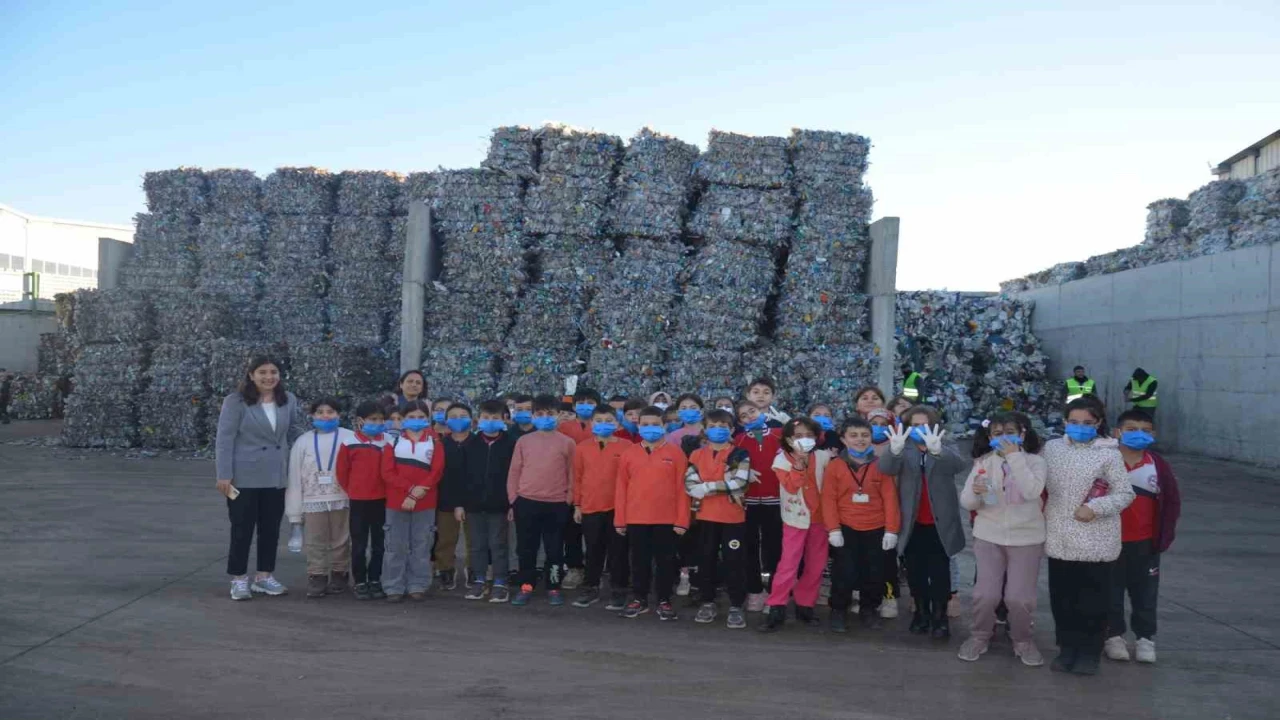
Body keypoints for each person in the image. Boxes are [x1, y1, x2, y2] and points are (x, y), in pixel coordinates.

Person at [1042, 398, 1135, 675]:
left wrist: (1095, 508)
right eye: (1073, 422)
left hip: (1095, 538)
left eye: (1087, 423)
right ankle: (1067, 648)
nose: (1079, 428)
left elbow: (1125, 493)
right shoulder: (1052, 448)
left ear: (1098, 424)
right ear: (1064, 422)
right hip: (1060, 537)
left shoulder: (1109, 453)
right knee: (1062, 599)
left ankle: (1089, 652)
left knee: (1093, 601)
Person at [957, 413, 1048, 666]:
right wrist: (975, 493)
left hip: (1027, 538)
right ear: (989, 437)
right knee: (985, 595)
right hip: (989, 536)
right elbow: (967, 502)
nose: (1004, 438)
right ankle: (979, 636)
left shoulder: (1035, 462)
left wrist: (1014, 457)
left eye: (1010, 432)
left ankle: (1022, 640)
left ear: (1022, 434)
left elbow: (1031, 491)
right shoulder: (984, 462)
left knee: (1019, 598)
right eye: (998, 434)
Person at [214, 356, 307, 601]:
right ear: (251, 375)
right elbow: (224, 440)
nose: (269, 377)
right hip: (243, 477)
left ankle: (264, 577)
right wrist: (224, 474)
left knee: (271, 530)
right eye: (263, 372)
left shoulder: (288, 400)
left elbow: (293, 431)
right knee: (242, 529)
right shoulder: (235, 402)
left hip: (277, 475)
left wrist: (316, 441)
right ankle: (238, 579)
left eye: (273, 371)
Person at [879, 405, 965, 640]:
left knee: (939, 572)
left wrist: (938, 451)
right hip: (911, 521)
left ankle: (940, 617)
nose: (919, 429)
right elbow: (886, 468)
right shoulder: (903, 446)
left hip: (940, 521)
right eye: (914, 425)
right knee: (915, 571)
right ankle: (921, 613)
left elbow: (958, 465)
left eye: (924, 424)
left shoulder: (945, 443)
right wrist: (893, 451)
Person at [1105, 409, 1181, 664]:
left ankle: (1145, 638)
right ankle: (1114, 636)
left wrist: (1164, 537)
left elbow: (1171, 502)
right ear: (1117, 433)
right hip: (1109, 541)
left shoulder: (1157, 464)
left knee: (1145, 594)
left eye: (1145, 430)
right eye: (1131, 429)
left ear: (1153, 434)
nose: (1138, 434)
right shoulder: (1105, 461)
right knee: (1111, 592)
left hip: (1145, 542)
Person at [823, 418, 901, 632]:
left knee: (874, 572)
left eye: (864, 435)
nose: (860, 440)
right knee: (844, 572)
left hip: (875, 527)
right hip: (846, 527)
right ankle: (838, 610)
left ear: (871, 438)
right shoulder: (835, 466)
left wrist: (891, 530)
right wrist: (833, 529)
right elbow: (828, 500)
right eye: (854, 435)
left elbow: (890, 499)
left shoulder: (881, 465)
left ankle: (869, 608)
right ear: (843, 439)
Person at [615, 406, 690, 620]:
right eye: (645, 425)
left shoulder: (675, 453)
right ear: (638, 426)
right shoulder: (629, 453)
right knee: (638, 561)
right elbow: (621, 488)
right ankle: (639, 598)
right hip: (636, 518)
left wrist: (682, 520)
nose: (650, 428)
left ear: (664, 426)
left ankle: (664, 600)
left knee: (665, 562)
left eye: (655, 424)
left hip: (667, 519)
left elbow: (682, 489)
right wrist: (620, 519)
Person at [761, 417, 833, 632]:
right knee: (788, 564)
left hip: (820, 518)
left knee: (816, 564)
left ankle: (805, 605)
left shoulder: (823, 457)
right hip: (795, 518)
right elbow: (792, 487)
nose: (804, 439)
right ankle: (776, 606)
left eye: (809, 435)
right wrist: (799, 465)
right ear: (789, 439)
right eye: (798, 436)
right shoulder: (781, 460)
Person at [685, 409, 752, 629]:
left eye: (723, 426)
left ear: (732, 430)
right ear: (705, 429)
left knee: (734, 561)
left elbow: (739, 483)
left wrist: (709, 486)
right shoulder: (696, 455)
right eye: (713, 426)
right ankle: (707, 601)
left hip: (733, 517)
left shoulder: (740, 454)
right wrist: (718, 486)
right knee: (706, 560)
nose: (718, 430)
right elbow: (691, 485)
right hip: (705, 517)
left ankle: (735, 605)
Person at [508, 394, 576, 607]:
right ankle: (526, 586)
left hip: (556, 504)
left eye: (550, 414)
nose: (545, 417)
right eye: (540, 414)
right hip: (526, 502)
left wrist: (569, 499)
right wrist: (514, 500)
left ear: (558, 415)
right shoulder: (523, 441)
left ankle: (553, 586)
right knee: (526, 547)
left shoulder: (567, 443)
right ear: (533, 415)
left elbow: (572, 474)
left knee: (554, 549)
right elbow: (514, 472)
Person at [286, 397, 356, 598]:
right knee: (315, 540)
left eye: (331, 412)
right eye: (320, 412)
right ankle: (317, 575)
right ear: (312, 416)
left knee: (341, 539)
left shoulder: (349, 437)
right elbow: (294, 477)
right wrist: (294, 513)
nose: (325, 416)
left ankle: (339, 572)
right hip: (312, 500)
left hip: (342, 498)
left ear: (339, 415)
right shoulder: (303, 441)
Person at [380, 399, 446, 602]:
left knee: (421, 545)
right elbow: (387, 473)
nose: (416, 420)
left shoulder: (435, 443)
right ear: (402, 419)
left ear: (427, 419)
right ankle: (393, 586)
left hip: (425, 503)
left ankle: (418, 584)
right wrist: (409, 491)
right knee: (395, 546)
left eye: (421, 417)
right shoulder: (393, 442)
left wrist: (416, 494)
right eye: (411, 417)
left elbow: (436, 472)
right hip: (396, 502)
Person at [458, 399, 518, 603]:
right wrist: (460, 503)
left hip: (500, 505)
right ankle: (480, 581)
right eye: (486, 417)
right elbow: (461, 475)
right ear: (478, 419)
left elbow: (516, 475)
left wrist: (512, 504)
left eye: (495, 418)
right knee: (476, 545)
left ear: (504, 420)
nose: (490, 421)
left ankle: (501, 582)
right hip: (473, 505)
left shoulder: (511, 443)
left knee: (498, 544)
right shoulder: (470, 443)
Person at [571, 406, 630, 610]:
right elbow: (577, 478)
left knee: (618, 552)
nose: (603, 424)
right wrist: (577, 505)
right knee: (593, 551)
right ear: (591, 423)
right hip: (590, 507)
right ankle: (591, 587)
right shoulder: (582, 448)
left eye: (608, 420)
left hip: (618, 508)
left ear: (616, 423)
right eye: (598, 420)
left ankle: (619, 590)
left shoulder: (627, 447)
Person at [337, 401, 391, 601]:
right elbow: (342, 472)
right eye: (372, 419)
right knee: (359, 543)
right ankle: (360, 580)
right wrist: (352, 491)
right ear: (360, 421)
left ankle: (375, 579)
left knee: (379, 543)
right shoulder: (349, 443)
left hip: (382, 501)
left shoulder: (387, 441)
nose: (377, 423)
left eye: (380, 419)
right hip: (359, 501)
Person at [735, 400, 784, 612]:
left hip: (777, 499)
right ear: (739, 421)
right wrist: (742, 473)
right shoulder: (738, 439)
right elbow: (730, 465)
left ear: (762, 411)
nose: (750, 417)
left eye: (752, 411)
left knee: (775, 547)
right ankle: (755, 590)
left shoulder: (779, 433)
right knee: (750, 546)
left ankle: (776, 591)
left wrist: (791, 423)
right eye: (744, 415)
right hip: (749, 501)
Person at [435, 403, 474, 591]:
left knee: (474, 539)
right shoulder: (440, 445)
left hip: (473, 500)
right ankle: (446, 570)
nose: (459, 420)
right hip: (446, 500)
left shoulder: (478, 443)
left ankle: (474, 571)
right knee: (445, 539)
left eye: (463, 415)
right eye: (454, 416)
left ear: (472, 420)